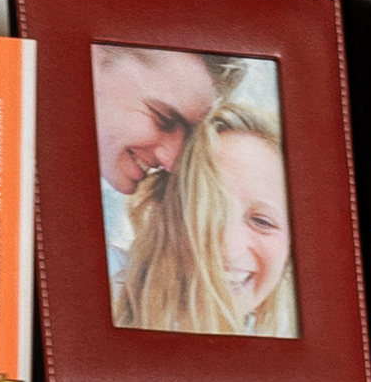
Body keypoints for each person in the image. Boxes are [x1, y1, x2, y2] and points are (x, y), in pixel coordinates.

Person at [97, 42, 295, 343]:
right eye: (206, 208)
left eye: (263, 221)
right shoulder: (89, 295)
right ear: (165, 214)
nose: (229, 247)